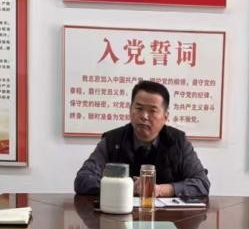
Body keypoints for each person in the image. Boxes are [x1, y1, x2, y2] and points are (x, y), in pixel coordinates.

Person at [74, 80, 210, 200]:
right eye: (139, 108)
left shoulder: (179, 142)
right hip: (117, 214)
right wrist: (128, 187)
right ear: (130, 110)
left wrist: (158, 190)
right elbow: (83, 180)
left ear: (165, 116)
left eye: (152, 111)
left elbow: (202, 183)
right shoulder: (113, 140)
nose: (144, 116)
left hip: (169, 217)